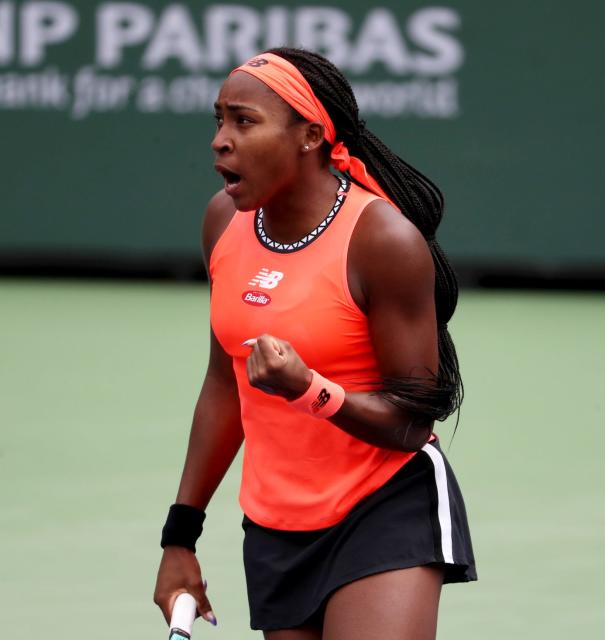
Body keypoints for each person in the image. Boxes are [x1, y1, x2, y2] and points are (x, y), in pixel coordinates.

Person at [153, 48, 476, 640]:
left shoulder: (382, 239)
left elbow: (411, 422)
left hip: (385, 502)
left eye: (243, 121)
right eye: (219, 120)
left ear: (309, 135)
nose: (220, 140)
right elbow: (225, 384)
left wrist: (311, 391)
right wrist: (180, 536)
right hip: (277, 525)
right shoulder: (222, 222)